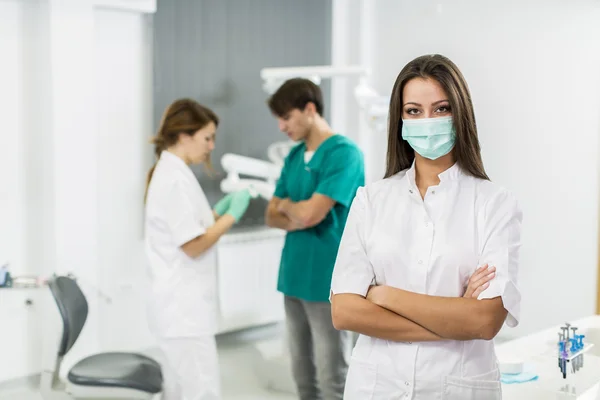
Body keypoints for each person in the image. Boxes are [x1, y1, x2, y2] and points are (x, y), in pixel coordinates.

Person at [330, 54, 523, 400]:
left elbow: (483, 322)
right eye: (414, 111)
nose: (427, 120)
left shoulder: (495, 204)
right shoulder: (371, 201)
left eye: (441, 108)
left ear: (460, 114)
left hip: (455, 387)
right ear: (400, 119)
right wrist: (452, 318)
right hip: (377, 386)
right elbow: (344, 311)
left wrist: (383, 295)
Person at [144, 98, 252, 400]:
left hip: (180, 310)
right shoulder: (173, 180)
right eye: (207, 137)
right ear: (184, 136)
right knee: (199, 392)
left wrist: (215, 214)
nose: (212, 145)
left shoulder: (174, 172)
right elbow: (193, 245)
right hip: (183, 313)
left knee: (182, 391)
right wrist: (231, 215)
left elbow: (191, 228)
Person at [265, 78, 365, 400]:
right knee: (302, 376)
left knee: (332, 376)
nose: (281, 126)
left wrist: (288, 207)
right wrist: (298, 211)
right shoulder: (294, 157)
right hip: (293, 277)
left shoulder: (344, 154)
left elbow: (310, 215)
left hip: (327, 280)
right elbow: (270, 215)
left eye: (286, 117)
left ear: (310, 109)